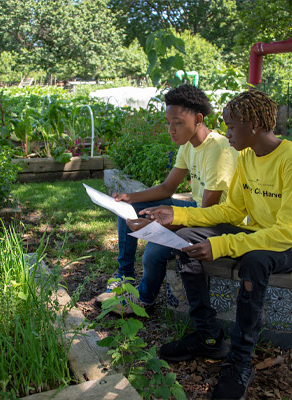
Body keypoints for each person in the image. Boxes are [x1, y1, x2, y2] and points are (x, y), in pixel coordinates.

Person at [132, 89, 292, 400]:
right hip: (257, 235)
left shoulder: (289, 160)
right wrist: (175, 214)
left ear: (255, 124)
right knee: (184, 239)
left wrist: (221, 246)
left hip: (284, 243)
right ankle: (207, 335)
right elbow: (232, 211)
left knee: (255, 261)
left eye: (232, 127)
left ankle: (240, 362)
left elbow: (285, 231)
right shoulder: (246, 157)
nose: (228, 134)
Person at [96, 84, 238, 315]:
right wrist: (129, 197)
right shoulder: (189, 145)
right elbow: (167, 188)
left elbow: (208, 213)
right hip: (197, 208)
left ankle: (144, 300)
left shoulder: (218, 150)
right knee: (128, 208)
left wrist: (159, 224)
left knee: (154, 250)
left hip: (218, 219)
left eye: (178, 123)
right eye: (168, 122)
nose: (171, 129)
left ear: (198, 119)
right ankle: (125, 275)